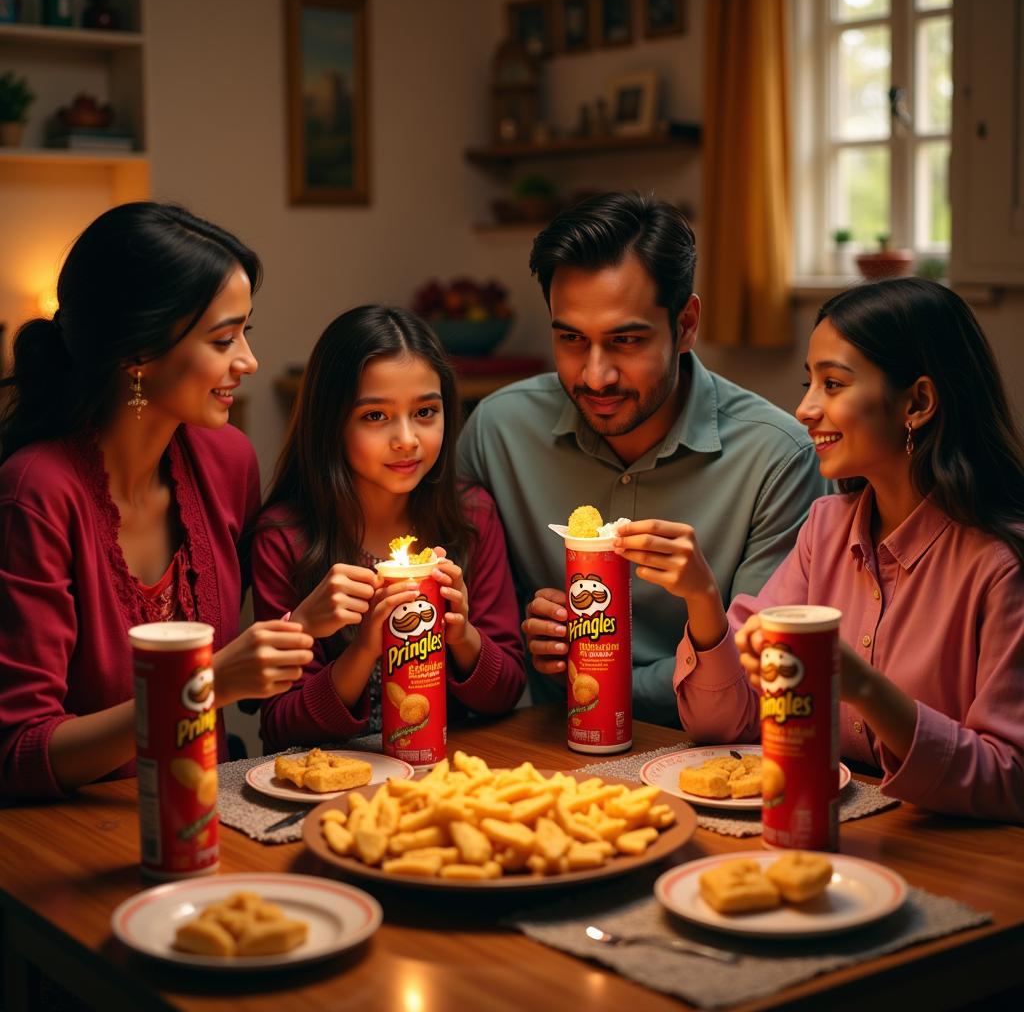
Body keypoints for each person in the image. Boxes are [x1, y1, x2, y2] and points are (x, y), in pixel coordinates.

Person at [642, 277, 1024, 820]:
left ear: (917, 401)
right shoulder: (825, 529)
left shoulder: (1000, 564)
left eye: (834, 384)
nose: (804, 409)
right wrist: (702, 599)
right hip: (823, 828)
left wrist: (862, 685)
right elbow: (725, 724)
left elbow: (1010, 779)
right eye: (809, 382)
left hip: (953, 855)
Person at [458, 192, 825, 725]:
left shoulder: (777, 457)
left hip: (709, 749)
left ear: (687, 324)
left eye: (625, 340)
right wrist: (520, 638)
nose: (595, 375)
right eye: (572, 339)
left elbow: (761, 670)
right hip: (543, 746)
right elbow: (472, 636)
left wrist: (597, 679)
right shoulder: (497, 432)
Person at [0, 202, 315, 799]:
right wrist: (205, 684)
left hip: (207, 814)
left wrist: (305, 623)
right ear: (137, 354)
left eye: (247, 331)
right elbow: (19, 753)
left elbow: (251, 670)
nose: (249, 360)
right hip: (68, 842)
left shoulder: (227, 465)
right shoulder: (35, 494)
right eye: (224, 338)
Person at [251, 306, 525, 751]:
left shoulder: (471, 516)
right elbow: (282, 725)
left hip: (441, 776)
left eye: (425, 412)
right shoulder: (285, 536)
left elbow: (506, 692)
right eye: (375, 416)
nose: (406, 439)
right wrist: (364, 649)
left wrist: (462, 635)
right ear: (331, 423)